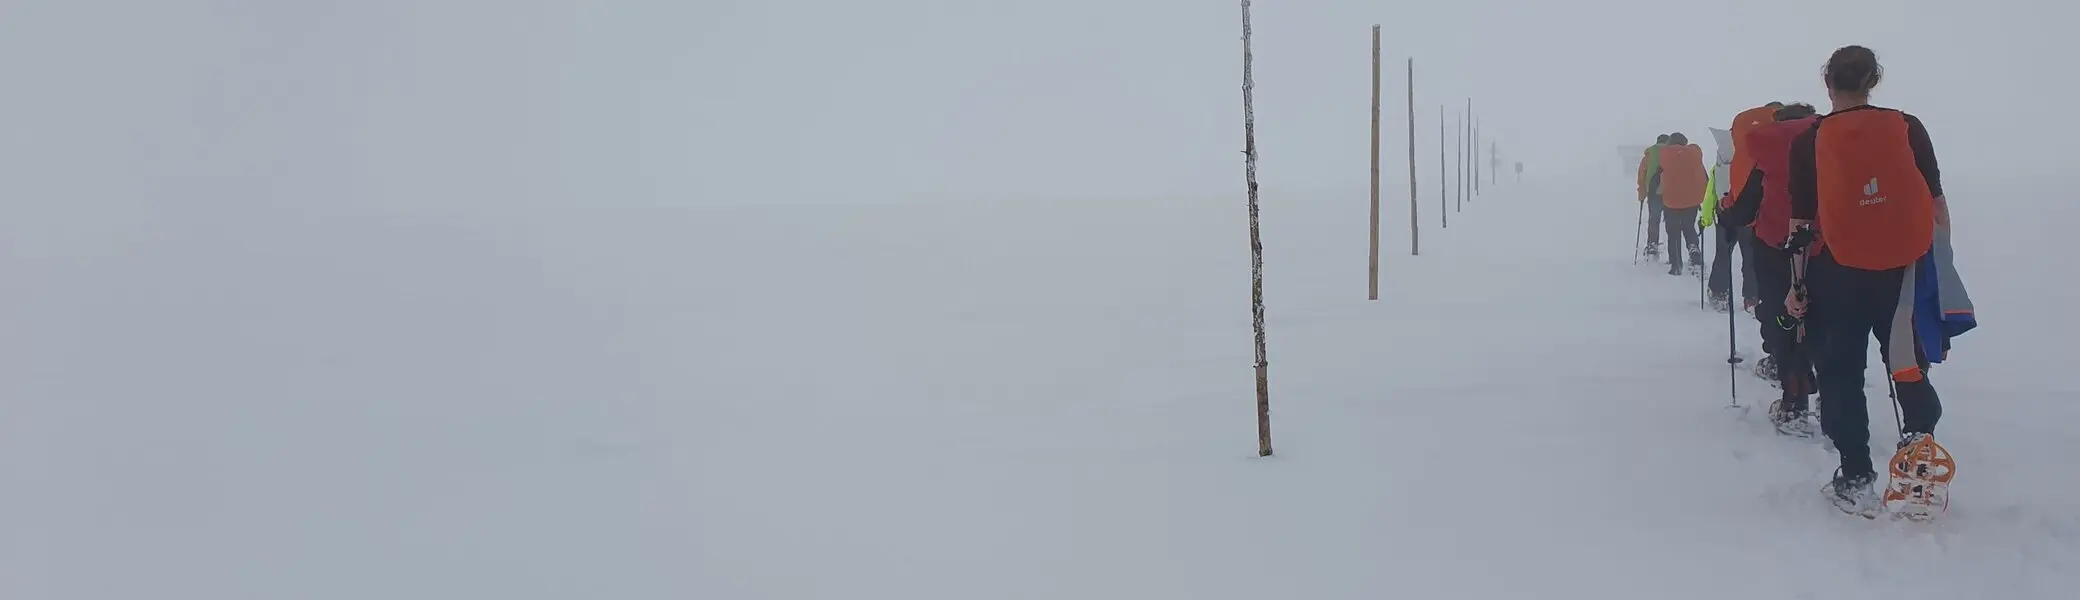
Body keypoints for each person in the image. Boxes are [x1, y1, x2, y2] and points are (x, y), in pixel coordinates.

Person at [1786, 46, 1966, 517]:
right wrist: (1937, 264)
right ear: (1873, 82)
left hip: (1835, 273)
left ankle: (1856, 474)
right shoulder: (1908, 127)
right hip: (1903, 269)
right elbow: (1936, 201)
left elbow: (1800, 223)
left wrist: (1796, 284)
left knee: (1842, 372)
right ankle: (1919, 453)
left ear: (1828, 85)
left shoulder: (1810, 140)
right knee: (1906, 362)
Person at [1726, 103, 1821, 435]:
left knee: (1784, 321)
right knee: (1822, 320)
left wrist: (1727, 211)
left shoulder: (1767, 149)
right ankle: (1831, 394)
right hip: (1826, 250)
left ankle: (1794, 404)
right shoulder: (1829, 143)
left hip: (1776, 250)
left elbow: (1745, 208)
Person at [1720, 103, 1782, 314]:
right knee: (1758, 259)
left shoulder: (1740, 153)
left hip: (1741, 212)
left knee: (1737, 256)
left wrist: (1727, 205)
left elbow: (1735, 185)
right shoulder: (1781, 148)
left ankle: (1735, 295)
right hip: (1772, 215)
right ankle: (1758, 299)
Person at [1656, 133, 1708, 275]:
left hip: (1670, 200)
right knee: (1688, 227)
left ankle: (1676, 264)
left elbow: (1658, 176)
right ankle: (1693, 249)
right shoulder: (1694, 155)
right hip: (1691, 201)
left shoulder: (1665, 155)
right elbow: (1704, 177)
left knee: (1672, 232)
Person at [1637, 134, 1670, 258]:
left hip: (1653, 193)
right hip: (1670, 193)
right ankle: (1673, 249)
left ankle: (1652, 245)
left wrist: (1642, 195)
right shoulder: (1672, 153)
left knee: (1654, 220)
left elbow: (1642, 176)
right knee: (1671, 222)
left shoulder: (1649, 154)